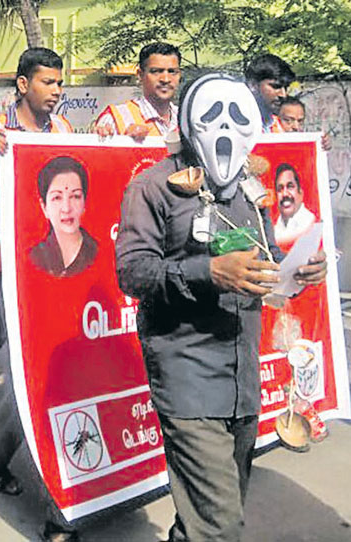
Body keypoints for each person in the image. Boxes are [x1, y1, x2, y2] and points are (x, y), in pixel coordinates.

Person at [116, 73, 327, 542]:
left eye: (238, 116)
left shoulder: (253, 194)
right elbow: (132, 273)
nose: (226, 128)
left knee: (205, 512)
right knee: (220, 526)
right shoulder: (152, 187)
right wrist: (207, 271)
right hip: (187, 374)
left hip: (242, 380)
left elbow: (266, 269)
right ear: (191, 122)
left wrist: (298, 274)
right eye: (213, 116)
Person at [0, 47, 75, 541]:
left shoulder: (65, 134)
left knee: (56, 368)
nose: (56, 91)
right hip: (16, 270)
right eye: (48, 82)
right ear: (22, 85)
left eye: (59, 83)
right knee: (29, 369)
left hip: (63, 269)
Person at [93, 42, 181, 139]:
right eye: (156, 71)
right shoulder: (116, 119)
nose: (165, 79)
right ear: (140, 75)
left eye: (172, 72)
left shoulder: (187, 119)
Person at [29, 157, 97, 277]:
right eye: (57, 198)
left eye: (75, 196)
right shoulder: (34, 258)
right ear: (44, 207)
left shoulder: (99, 253)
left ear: (84, 203)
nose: (66, 208)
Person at [245, 54, 294, 133]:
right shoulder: (237, 124)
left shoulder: (278, 125)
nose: (283, 95)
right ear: (253, 85)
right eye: (276, 86)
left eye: (286, 88)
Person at [274, 162, 316, 245]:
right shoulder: (275, 229)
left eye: (290, 186)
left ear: (300, 192)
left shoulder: (310, 223)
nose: (285, 194)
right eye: (280, 189)